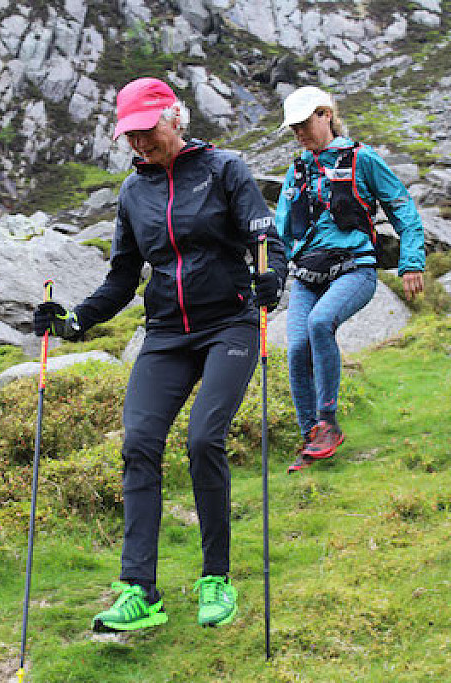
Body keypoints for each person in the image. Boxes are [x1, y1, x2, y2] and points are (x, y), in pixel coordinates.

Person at [33, 77, 287, 633]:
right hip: (167, 334)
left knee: (203, 439)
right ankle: (139, 591)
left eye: (147, 130)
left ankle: (216, 578)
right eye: (130, 135)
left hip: (229, 324)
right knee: (139, 444)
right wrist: (74, 321)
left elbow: (267, 241)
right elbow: (122, 278)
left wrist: (274, 277)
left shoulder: (225, 170)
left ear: (174, 117)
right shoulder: (133, 193)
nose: (140, 143)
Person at [275, 86, 425, 472]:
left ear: (325, 114)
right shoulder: (297, 171)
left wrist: (411, 263)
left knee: (320, 322)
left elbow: (402, 207)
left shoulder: (362, 159)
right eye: (294, 128)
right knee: (296, 348)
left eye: (304, 123)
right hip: (307, 275)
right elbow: (279, 230)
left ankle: (328, 423)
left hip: (355, 270)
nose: (300, 133)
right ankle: (311, 437)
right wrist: (267, 273)